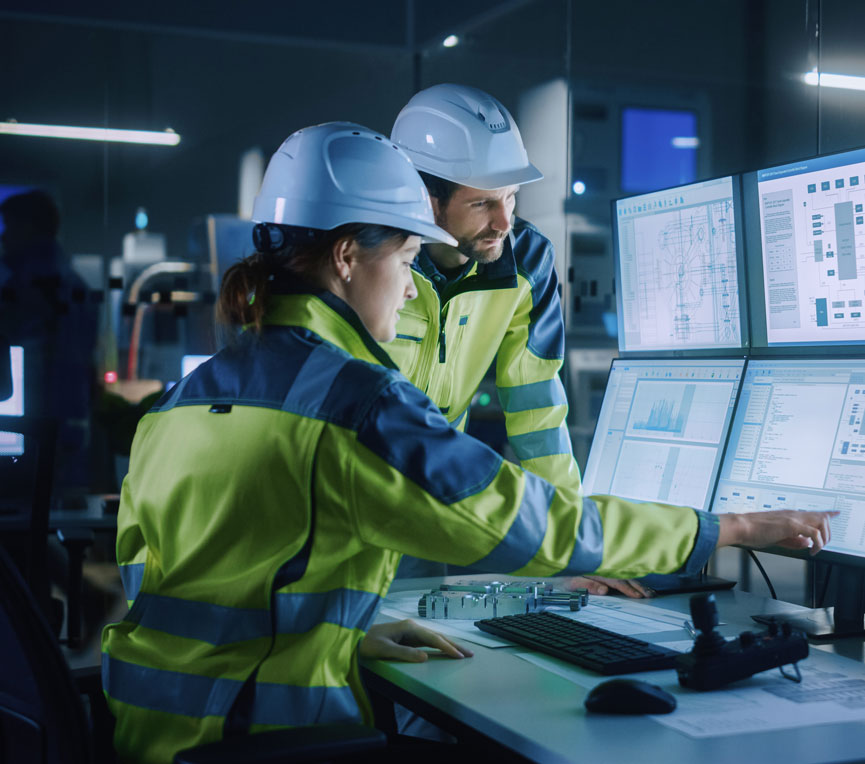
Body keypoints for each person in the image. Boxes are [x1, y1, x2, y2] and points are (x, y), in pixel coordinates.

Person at [101, 122, 835, 764]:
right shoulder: (352, 404)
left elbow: (176, 583)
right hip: (264, 734)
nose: (409, 285)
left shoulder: (186, 400)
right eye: (405, 257)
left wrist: (344, 637)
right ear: (351, 256)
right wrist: (724, 528)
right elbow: (526, 521)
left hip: (151, 733)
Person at [389, 84, 647, 595]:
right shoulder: (374, 258)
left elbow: (537, 412)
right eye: (483, 202)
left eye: (511, 197)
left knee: (406, 647)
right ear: (423, 197)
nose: (504, 222)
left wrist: (573, 547)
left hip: (423, 510)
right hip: (340, 497)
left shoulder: (527, 261)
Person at [0, 189, 98, 496]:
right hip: (59, 434)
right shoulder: (71, 286)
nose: (4, 238)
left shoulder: (35, 292)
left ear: (32, 228)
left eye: (10, 227)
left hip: (38, 435)